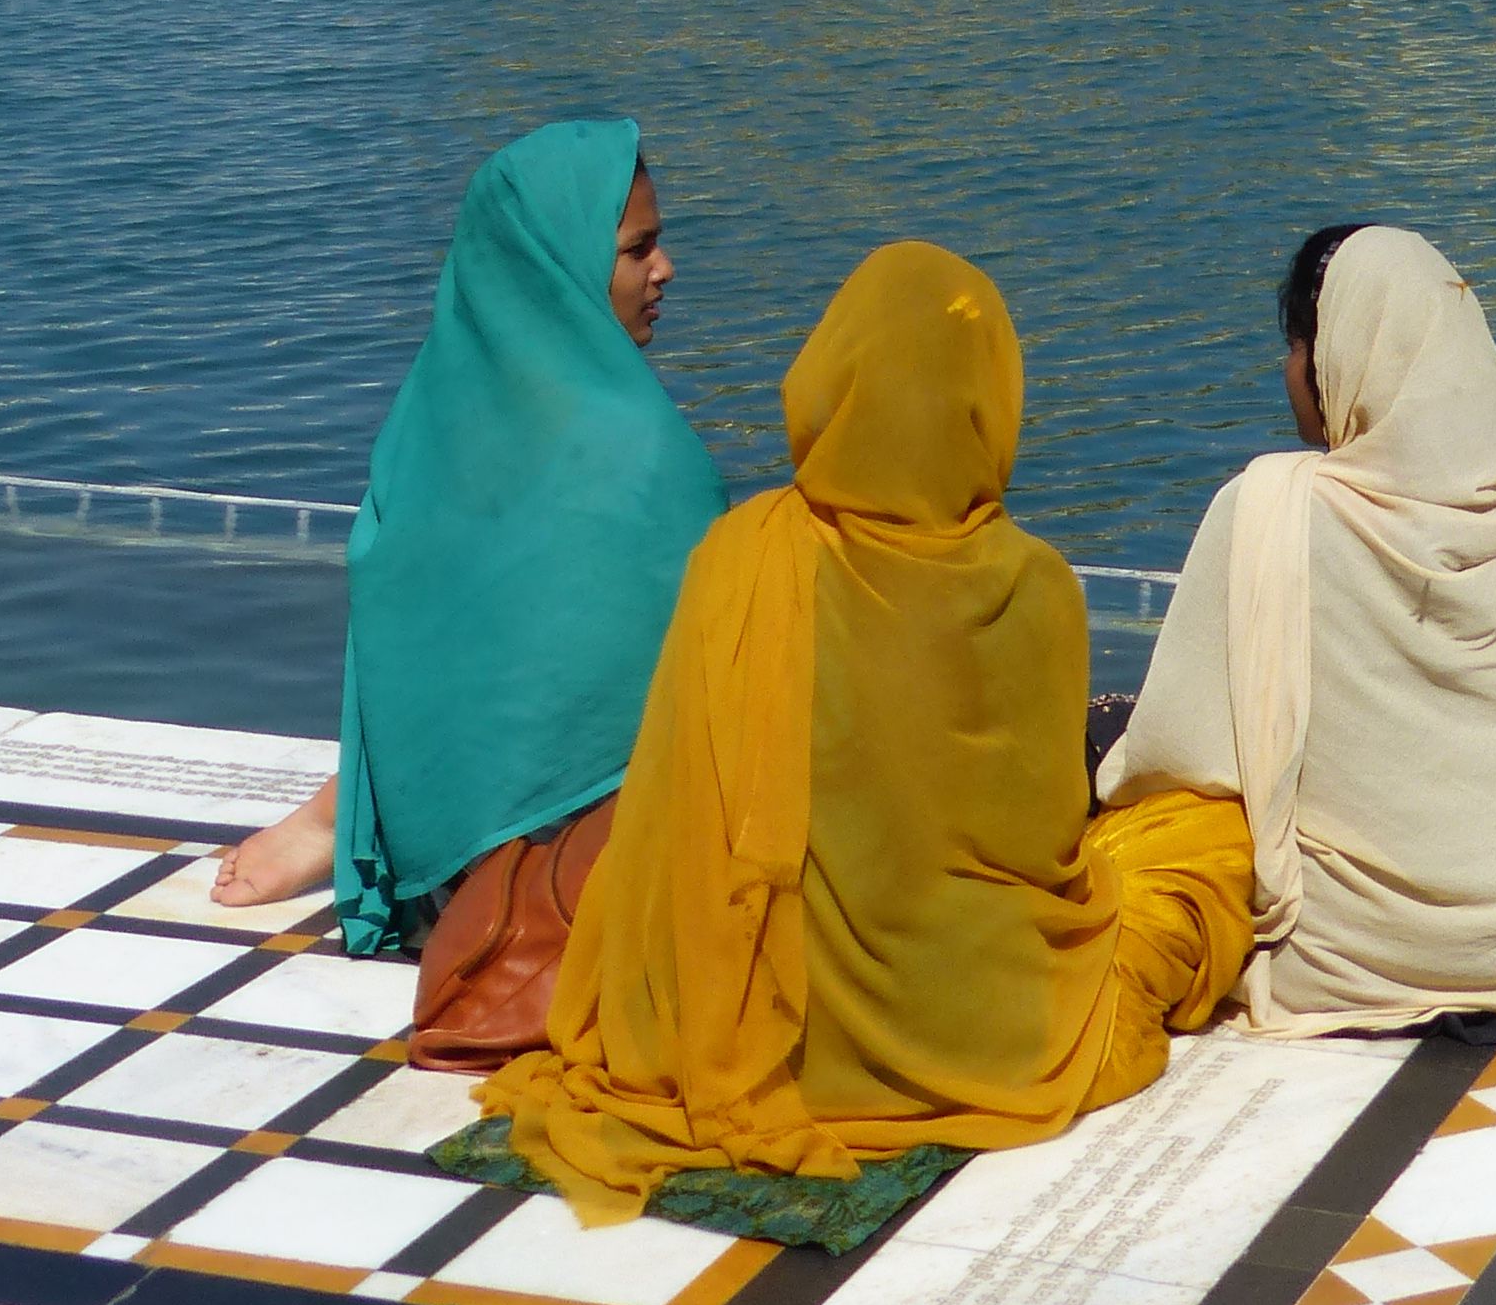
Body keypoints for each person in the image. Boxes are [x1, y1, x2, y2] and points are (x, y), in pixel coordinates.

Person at [470, 242, 1250, 1243]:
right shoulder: (1032, 586)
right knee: (1204, 842)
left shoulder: (741, 556)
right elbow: (1041, 855)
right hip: (986, 1028)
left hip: (757, 1031)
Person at [1099, 223, 1496, 1037]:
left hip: (1368, 947)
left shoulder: (1271, 507)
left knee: (1135, 791)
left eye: (1295, 345)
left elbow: (1182, 759)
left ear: (1336, 360)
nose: (1286, 370)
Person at [209, 124, 725, 1011]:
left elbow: (420, 637)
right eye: (638, 248)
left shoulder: (433, 420)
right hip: (600, 870)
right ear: (554, 263)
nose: (666, 269)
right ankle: (350, 822)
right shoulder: (642, 450)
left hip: (453, 881)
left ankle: (346, 821)